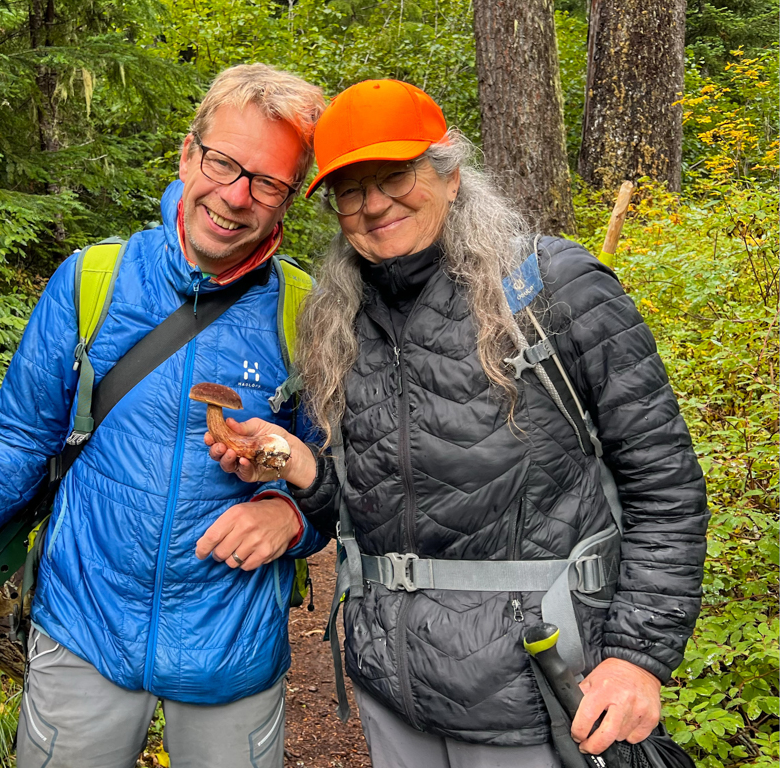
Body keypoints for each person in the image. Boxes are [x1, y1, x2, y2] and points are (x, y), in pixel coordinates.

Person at [206, 79, 709, 766]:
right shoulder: (339, 321)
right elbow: (367, 515)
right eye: (350, 189)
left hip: (537, 693)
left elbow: (665, 485)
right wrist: (302, 468)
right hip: (394, 693)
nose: (375, 204)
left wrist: (638, 658)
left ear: (448, 173)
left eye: (396, 175)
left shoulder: (553, 288)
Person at [0, 63, 328, 768]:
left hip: (233, 641)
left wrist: (291, 513)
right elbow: (17, 443)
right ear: (188, 153)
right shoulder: (94, 280)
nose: (235, 196)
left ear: (288, 200)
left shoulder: (304, 312)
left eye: (268, 181)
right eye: (224, 162)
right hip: (86, 625)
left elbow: (341, 473)